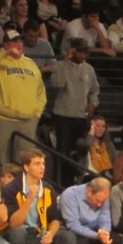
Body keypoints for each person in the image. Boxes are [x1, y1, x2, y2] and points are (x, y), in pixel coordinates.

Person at [0, 148, 79, 244]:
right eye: (37, 164)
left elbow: (55, 219)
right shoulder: (11, 189)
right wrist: (29, 199)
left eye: (43, 163)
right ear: (26, 167)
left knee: (68, 237)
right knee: (18, 232)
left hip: (39, 233)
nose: (42, 167)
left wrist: (51, 232)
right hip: (15, 232)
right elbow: (14, 222)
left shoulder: (48, 189)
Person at [0, 28, 46, 169]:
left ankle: (20, 191)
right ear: (6, 44)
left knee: (25, 163)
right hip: (2, 118)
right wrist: (6, 53)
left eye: (20, 41)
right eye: (14, 41)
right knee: (0, 161)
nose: (19, 44)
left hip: (28, 120)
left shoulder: (30, 63)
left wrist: (37, 113)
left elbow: (41, 92)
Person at [51, 37, 99, 186]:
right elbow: (57, 84)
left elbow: (94, 91)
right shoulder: (60, 66)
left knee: (80, 152)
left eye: (84, 52)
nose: (82, 55)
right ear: (72, 51)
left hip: (80, 117)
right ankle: (59, 183)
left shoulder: (89, 69)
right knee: (62, 152)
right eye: (79, 52)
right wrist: (65, 62)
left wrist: (93, 103)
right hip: (63, 116)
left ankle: (76, 183)